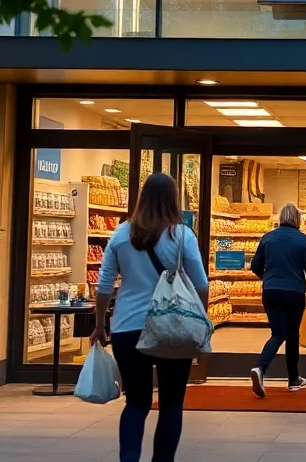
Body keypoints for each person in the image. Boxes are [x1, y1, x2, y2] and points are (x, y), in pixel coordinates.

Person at [90, 172, 209, 462]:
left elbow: (104, 285)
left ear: (142, 198)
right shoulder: (182, 235)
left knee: (136, 402)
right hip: (173, 326)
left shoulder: (121, 234)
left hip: (127, 326)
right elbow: (201, 284)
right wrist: (200, 319)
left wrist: (100, 324)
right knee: (171, 403)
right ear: (173, 199)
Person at [248, 202, 306, 397]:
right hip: (294, 293)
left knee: (278, 333)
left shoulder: (268, 237)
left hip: (271, 291)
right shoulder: (302, 240)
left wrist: (267, 277)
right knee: (292, 335)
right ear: (297, 219)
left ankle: (264, 369)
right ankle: (290, 378)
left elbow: (255, 265)